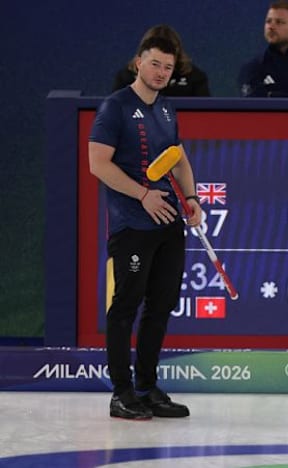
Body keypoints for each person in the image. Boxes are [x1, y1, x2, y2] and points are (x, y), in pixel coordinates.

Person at [89, 34, 203, 420]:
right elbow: (98, 164)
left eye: (168, 68)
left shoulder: (167, 110)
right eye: (155, 64)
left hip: (169, 222)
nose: (161, 73)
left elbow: (179, 159)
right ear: (139, 62)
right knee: (125, 306)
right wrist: (142, 195)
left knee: (161, 306)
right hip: (132, 224)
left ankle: (147, 387)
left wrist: (192, 199)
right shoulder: (115, 107)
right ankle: (121, 392)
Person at [112, 24, 210, 97]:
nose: (161, 74)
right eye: (155, 63)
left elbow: (206, 114)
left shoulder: (195, 78)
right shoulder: (125, 76)